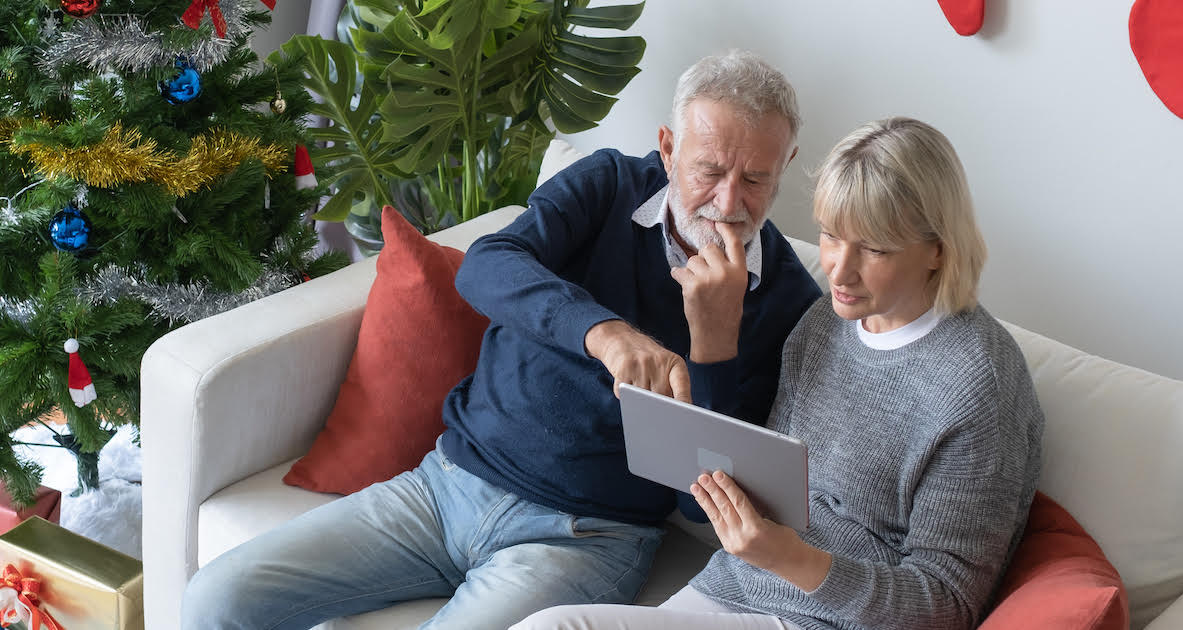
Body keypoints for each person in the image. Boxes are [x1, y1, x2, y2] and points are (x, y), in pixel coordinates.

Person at [180, 50, 822, 629]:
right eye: (709, 170)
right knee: (216, 597)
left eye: (757, 179)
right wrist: (602, 332)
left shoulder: (791, 304)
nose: (729, 203)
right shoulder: (607, 185)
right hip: (443, 487)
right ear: (668, 147)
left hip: (588, 537)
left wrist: (713, 343)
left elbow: (697, 501)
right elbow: (490, 265)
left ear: (785, 165)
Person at [513, 117, 1046, 630]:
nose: (838, 269)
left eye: (874, 248)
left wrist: (792, 559)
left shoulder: (979, 386)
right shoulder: (823, 325)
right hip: (734, 587)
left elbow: (947, 606)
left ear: (937, 249)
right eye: (832, 236)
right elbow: (774, 482)